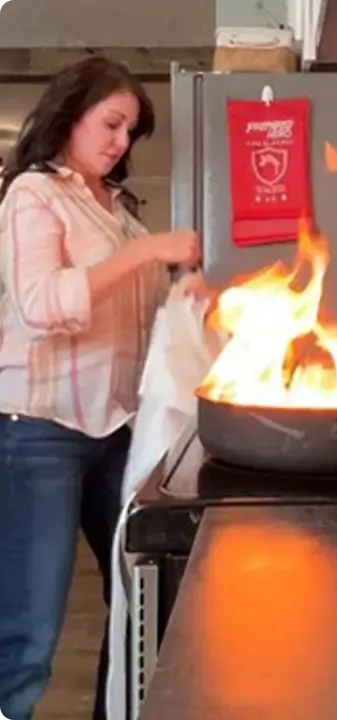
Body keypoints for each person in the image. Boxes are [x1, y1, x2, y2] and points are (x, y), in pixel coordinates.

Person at [0, 57, 204, 720]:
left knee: (139, 599)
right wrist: (151, 255)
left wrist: (183, 293)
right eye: (112, 123)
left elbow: (137, 315)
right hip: (39, 432)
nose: (120, 142)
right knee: (28, 632)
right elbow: (39, 304)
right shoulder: (34, 194)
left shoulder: (118, 212)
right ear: (72, 113)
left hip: (113, 427)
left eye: (130, 132)